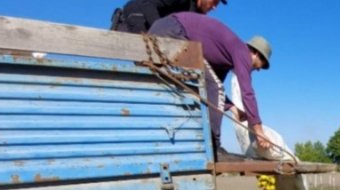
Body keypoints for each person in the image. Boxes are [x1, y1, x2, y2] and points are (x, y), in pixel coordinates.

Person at [149, 13, 272, 158]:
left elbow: (213, 89)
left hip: (165, 29)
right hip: (174, 31)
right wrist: (258, 129)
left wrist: (232, 108)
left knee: (210, 87)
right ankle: (214, 147)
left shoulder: (225, 59)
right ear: (255, 53)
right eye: (258, 66)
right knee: (215, 87)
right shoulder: (242, 51)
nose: (257, 70)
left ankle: (204, 144)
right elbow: (247, 92)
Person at [110, 0, 226, 34]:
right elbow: (147, 4)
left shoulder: (196, 14)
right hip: (136, 15)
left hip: (151, 26)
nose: (215, 7)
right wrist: (161, 28)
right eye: (215, 2)